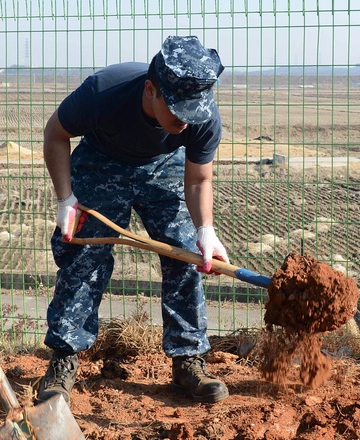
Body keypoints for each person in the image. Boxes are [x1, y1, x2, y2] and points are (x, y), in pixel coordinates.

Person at [37, 35, 231, 406]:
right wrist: (66, 199)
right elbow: (55, 134)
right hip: (102, 161)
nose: (186, 123)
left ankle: (187, 358)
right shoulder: (103, 92)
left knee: (186, 254)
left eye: (194, 115)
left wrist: (206, 231)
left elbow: (198, 178)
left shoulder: (202, 116)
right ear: (150, 90)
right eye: (177, 113)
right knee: (84, 258)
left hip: (163, 167)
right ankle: (64, 358)